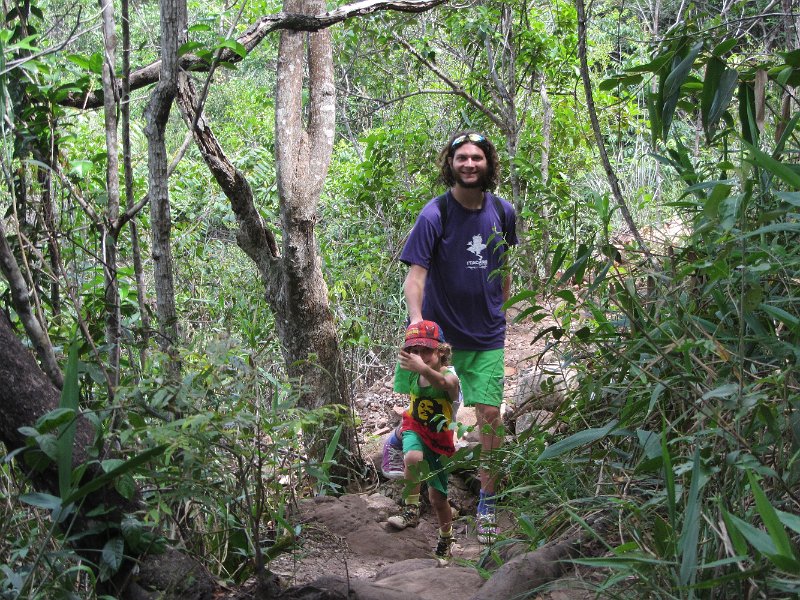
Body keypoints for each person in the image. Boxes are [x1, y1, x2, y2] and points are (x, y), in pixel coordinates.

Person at [389, 130, 517, 544]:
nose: (469, 164)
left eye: (477, 157)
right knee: (433, 407)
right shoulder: (435, 214)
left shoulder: (503, 211)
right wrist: (417, 325)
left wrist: (503, 309)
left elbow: (504, 265)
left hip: (487, 335)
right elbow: (416, 276)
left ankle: (488, 502)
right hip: (441, 337)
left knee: (490, 415)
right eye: (462, 157)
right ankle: (397, 439)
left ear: (488, 163)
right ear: (451, 163)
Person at [386, 320, 461, 562]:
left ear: (441, 351)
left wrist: (423, 369)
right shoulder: (412, 375)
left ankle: (446, 538)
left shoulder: (449, 375)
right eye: (415, 351)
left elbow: (445, 385)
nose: (420, 357)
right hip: (415, 427)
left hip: (439, 439)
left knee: (438, 498)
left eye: (426, 350)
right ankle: (410, 508)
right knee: (412, 457)